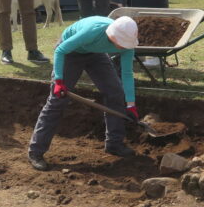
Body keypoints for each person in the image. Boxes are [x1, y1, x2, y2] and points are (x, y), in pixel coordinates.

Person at [27, 16, 140, 170]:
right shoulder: (93, 31)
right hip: (70, 52)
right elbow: (61, 50)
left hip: (95, 54)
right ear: (112, 35)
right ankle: (36, 152)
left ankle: (114, 143)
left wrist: (131, 104)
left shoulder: (127, 46)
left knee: (115, 93)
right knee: (57, 100)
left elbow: (127, 74)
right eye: (120, 43)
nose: (122, 47)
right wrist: (59, 81)